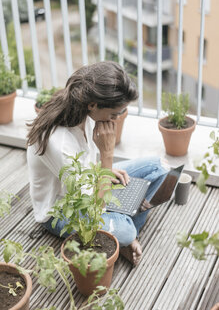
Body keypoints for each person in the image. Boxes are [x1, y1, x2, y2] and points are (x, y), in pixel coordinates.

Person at [27, 61, 167, 266]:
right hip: (62, 210)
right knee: (127, 232)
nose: (117, 119)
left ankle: (121, 228)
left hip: (90, 185)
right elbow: (94, 208)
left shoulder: (84, 111)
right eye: (114, 114)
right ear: (93, 104)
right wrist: (107, 155)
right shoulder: (59, 142)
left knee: (158, 167)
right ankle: (125, 235)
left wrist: (105, 171)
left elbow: (85, 165)